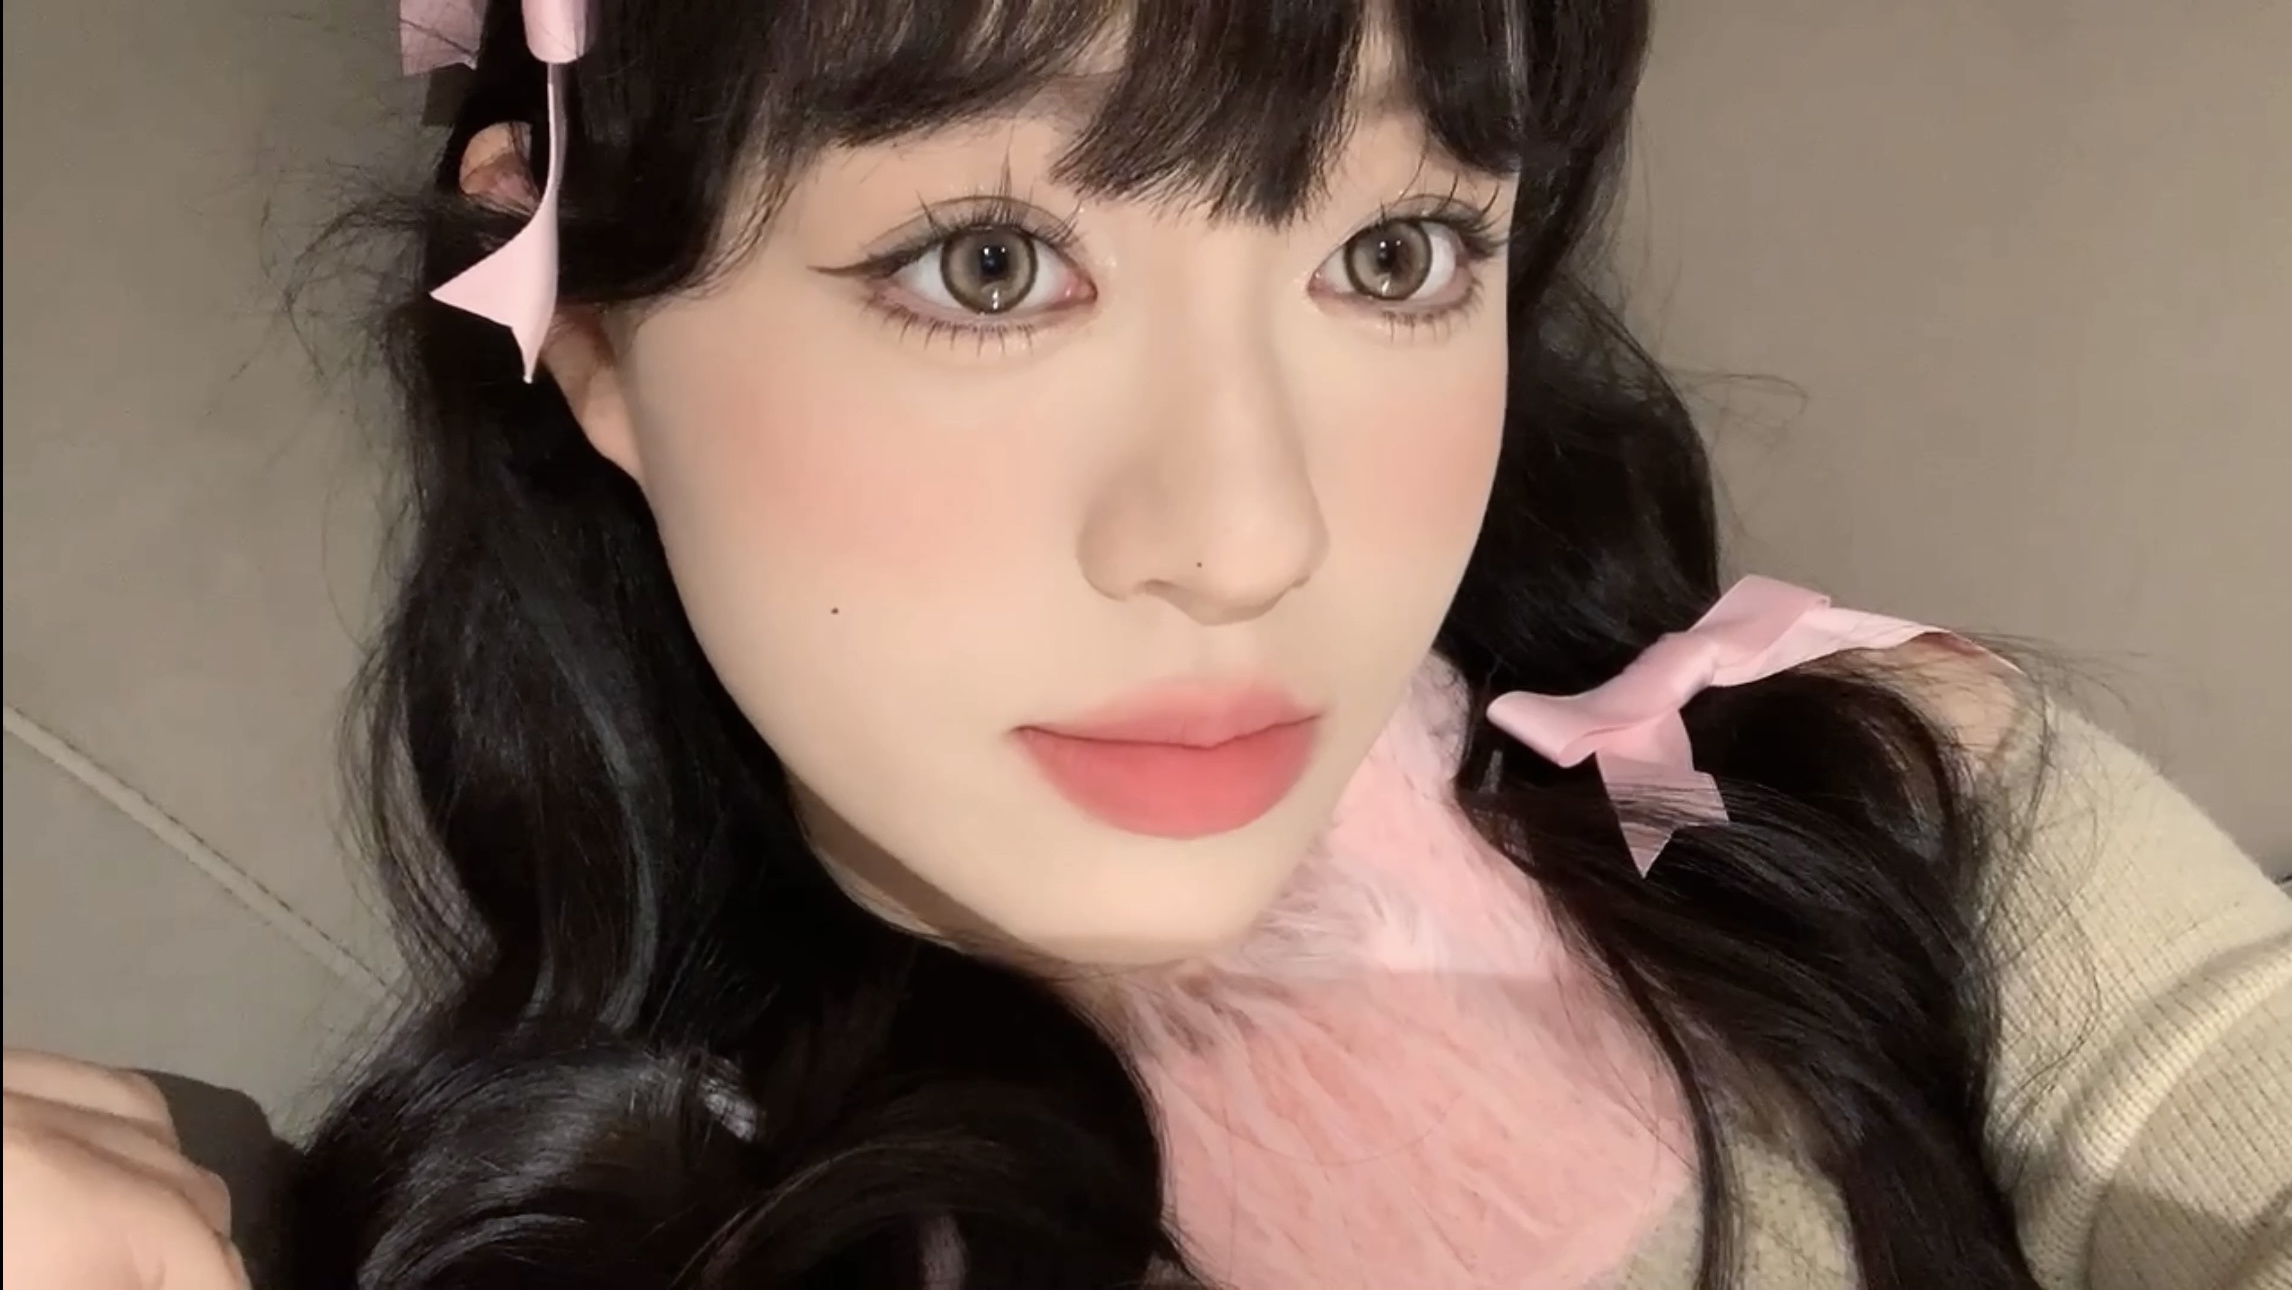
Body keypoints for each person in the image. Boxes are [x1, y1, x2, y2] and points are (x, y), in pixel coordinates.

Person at [6, 0, 2288, 1286]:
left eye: (1397, 254)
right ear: (589, 329)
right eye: (989, 263)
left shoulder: (1860, 773)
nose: (1250, 534)